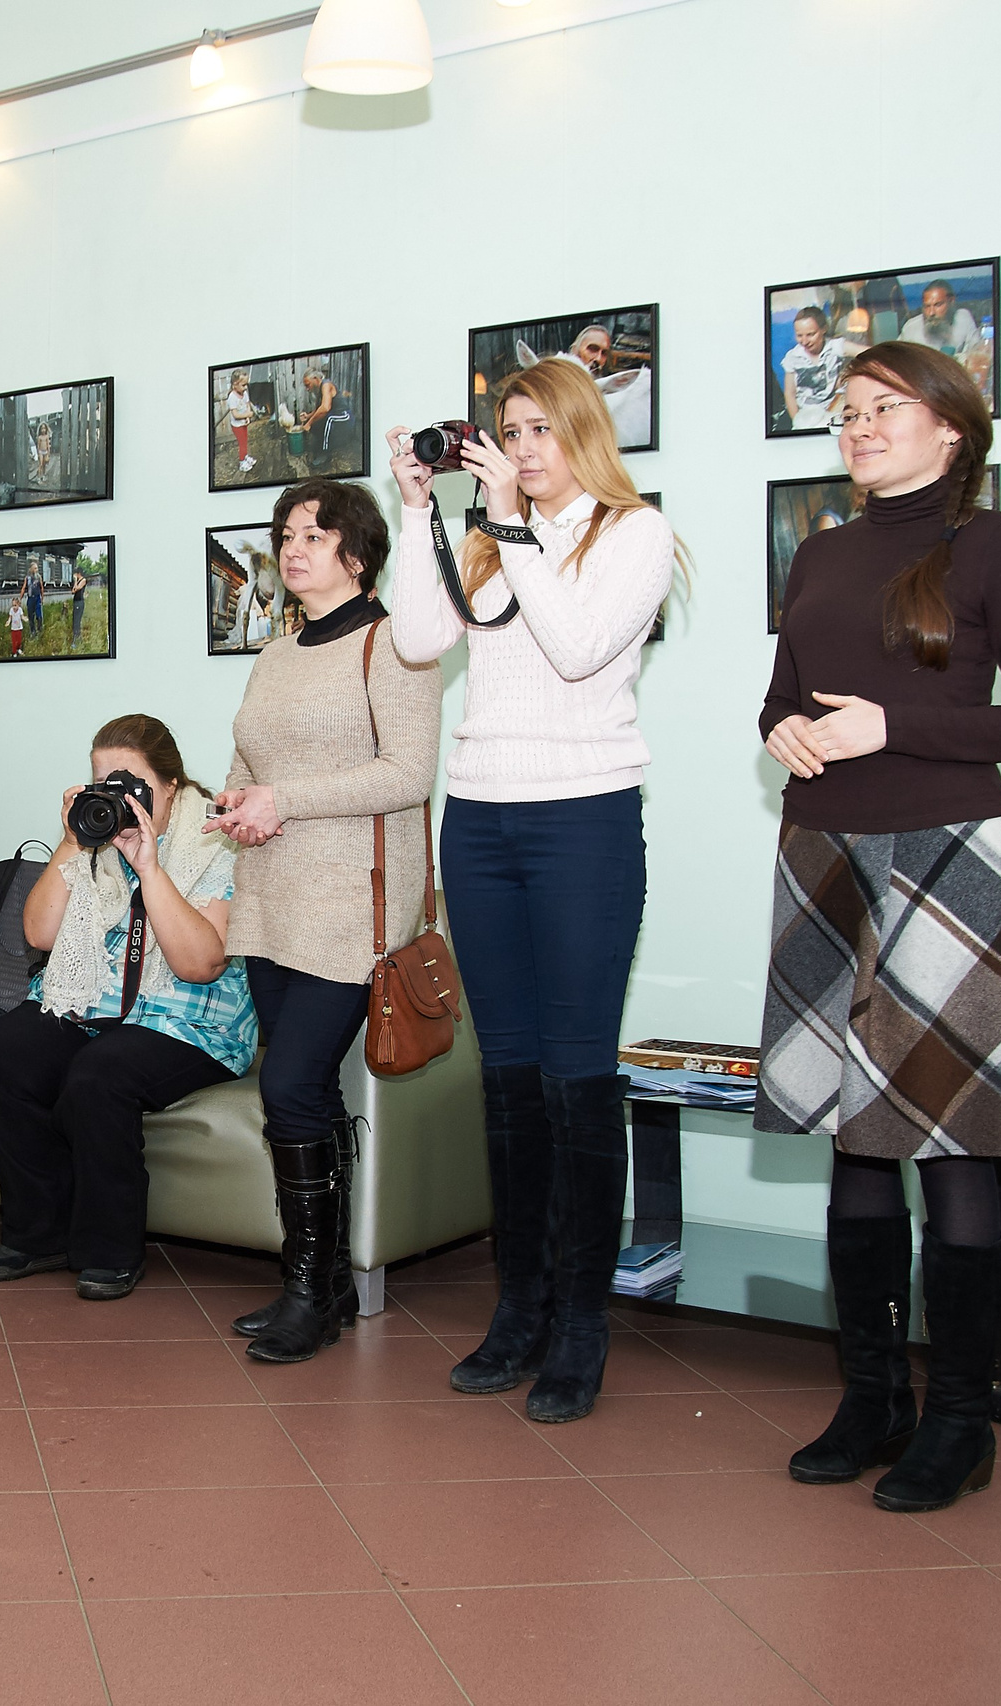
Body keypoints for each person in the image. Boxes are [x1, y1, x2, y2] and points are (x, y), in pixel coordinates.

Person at [758, 340, 1001, 1514]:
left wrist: (888, 726)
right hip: (823, 857)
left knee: (957, 1153)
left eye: (883, 407)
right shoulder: (823, 551)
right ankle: (870, 1394)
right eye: (846, 410)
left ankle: (958, 1419)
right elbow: (785, 694)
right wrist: (783, 732)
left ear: (952, 426)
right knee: (855, 1147)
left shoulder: (992, 544)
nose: (857, 424)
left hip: (947, 859)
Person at [384, 355, 685, 1423]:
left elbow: (574, 646)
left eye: (537, 430)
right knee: (507, 1077)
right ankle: (518, 1306)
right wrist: (422, 511)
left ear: (579, 432)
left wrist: (512, 525)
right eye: (506, 433)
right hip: (481, 818)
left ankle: (581, 1321)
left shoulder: (633, 532)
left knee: (576, 1075)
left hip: (583, 821)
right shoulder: (488, 532)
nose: (519, 450)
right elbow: (420, 639)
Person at [210, 480, 442, 1362]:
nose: (294, 547)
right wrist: (235, 798)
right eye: (285, 534)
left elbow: (408, 774)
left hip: (354, 900)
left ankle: (309, 1288)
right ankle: (327, 1283)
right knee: (305, 1090)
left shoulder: (395, 642)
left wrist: (286, 799)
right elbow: (248, 755)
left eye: (315, 533)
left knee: (290, 1085)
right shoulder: (274, 651)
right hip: (272, 894)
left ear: (359, 551)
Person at [0, 716, 254, 1300]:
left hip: (191, 1020)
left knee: (98, 1076)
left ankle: (109, 1250)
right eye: (104, 782)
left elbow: (202, 963)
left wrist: (149, 866)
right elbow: (40, 935)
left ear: (170, 786)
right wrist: (72, 839)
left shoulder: (218, 838)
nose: (117, 798)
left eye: (133, 785)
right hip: (92, 1003)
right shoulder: (93, 838)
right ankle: (40, 1233)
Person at [781, 306, 851, 430]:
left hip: (833, 414)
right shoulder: (792, 357)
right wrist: (797, 422)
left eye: (810, 334)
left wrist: (851, 371)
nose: (804, 341)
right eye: (799, 335)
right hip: (806, 418)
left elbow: (870, 353)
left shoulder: (835, 347)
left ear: (823, 329)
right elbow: (789, 394)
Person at [898, 280, 982, 362]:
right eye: (927, 306)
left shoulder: (963, 318)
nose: (931, 313)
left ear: (951, 301)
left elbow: (978, 355)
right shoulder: (911, 328)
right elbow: (896, 359)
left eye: (937, 305)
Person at [224, 369, 258, 473]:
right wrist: (247, 415)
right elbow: (235, 415)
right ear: (235, 385)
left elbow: (247, 405)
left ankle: (246, 456)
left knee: (245, 441)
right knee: (242, 443)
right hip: (237, 426)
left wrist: (247, 417)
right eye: (243, 385)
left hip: (243, 423)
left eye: (246, 384)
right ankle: (242, 462)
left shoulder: (245, 393)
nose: (246, 387)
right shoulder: (232, 397)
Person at [6, 586, 27, 656]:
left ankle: (19, 649)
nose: (14, 607)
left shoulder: (20, 610)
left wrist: (25, 619)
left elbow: (22, 616)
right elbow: (10, 617)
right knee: (14, 641)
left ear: (18, 605)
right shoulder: (11, 610)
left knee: (19, 641)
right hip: (13, 629)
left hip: (19, 628)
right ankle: (14, 652)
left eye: (15, 605)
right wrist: (8, 622)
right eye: (13, 605)